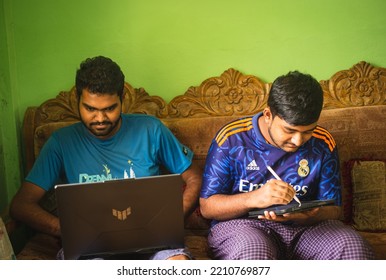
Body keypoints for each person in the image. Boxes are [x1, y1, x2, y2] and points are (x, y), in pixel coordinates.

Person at [10, 56, 202, 260]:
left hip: (152, 242)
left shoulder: (150, 130)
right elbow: (22, 205)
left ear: (122, 100)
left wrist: (172, 218)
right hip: (89, 248)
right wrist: (65, 230)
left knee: (177, 264)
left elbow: (194, 178)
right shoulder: (61, 143)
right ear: (77, 100)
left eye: (109, 109)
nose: (100, 119)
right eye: (90, 109)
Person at [199, 71, 375, 260]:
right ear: (268, 115)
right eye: (289, 130)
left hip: (307, 230)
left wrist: (309, 216)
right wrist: (254, 198)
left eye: (308, 131)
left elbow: (335, 209)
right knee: (253, 252)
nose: (298, 140)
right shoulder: (231, 139)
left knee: (352, 247)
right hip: (244, 226)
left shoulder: (323, 142)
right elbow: (208, 207)